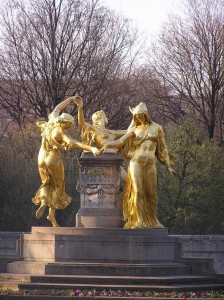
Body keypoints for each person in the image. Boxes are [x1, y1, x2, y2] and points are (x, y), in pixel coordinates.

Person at [100, 102, 176, 229]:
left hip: (150, 164)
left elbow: (163, 149)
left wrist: (168, 166)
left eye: (140, 115)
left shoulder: (157, 128)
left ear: (146, 114)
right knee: (138, 191)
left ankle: (153, 220)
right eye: (136, 116)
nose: (138, 118)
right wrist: (109, 145)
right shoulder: (134, 130)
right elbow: (121, 140)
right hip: (136, 162)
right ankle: (139, 221)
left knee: (152, 193)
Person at [32, 96, 100, 227]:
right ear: (65, 124)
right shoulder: (62, 133)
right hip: (52, 158)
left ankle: (45, 203)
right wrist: (92, 148)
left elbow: (58, 107)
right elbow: (76, 143)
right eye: (69, 126)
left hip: (41, 157)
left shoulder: (52, 121)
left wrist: (70, 99)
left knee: (46, 182)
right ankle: (50, 211)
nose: (68, 128)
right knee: (59, 185)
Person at [74, 96, 128, 184]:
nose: (107, 118)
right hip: (106, 157)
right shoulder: (94, 129)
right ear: (99, 117)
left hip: (115, 159)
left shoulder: (111, 132)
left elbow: (129, 132)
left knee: (128, 181)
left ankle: (127, 198)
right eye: (105, 116)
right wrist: (80, 108)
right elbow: (82, 123)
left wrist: (136, 119)